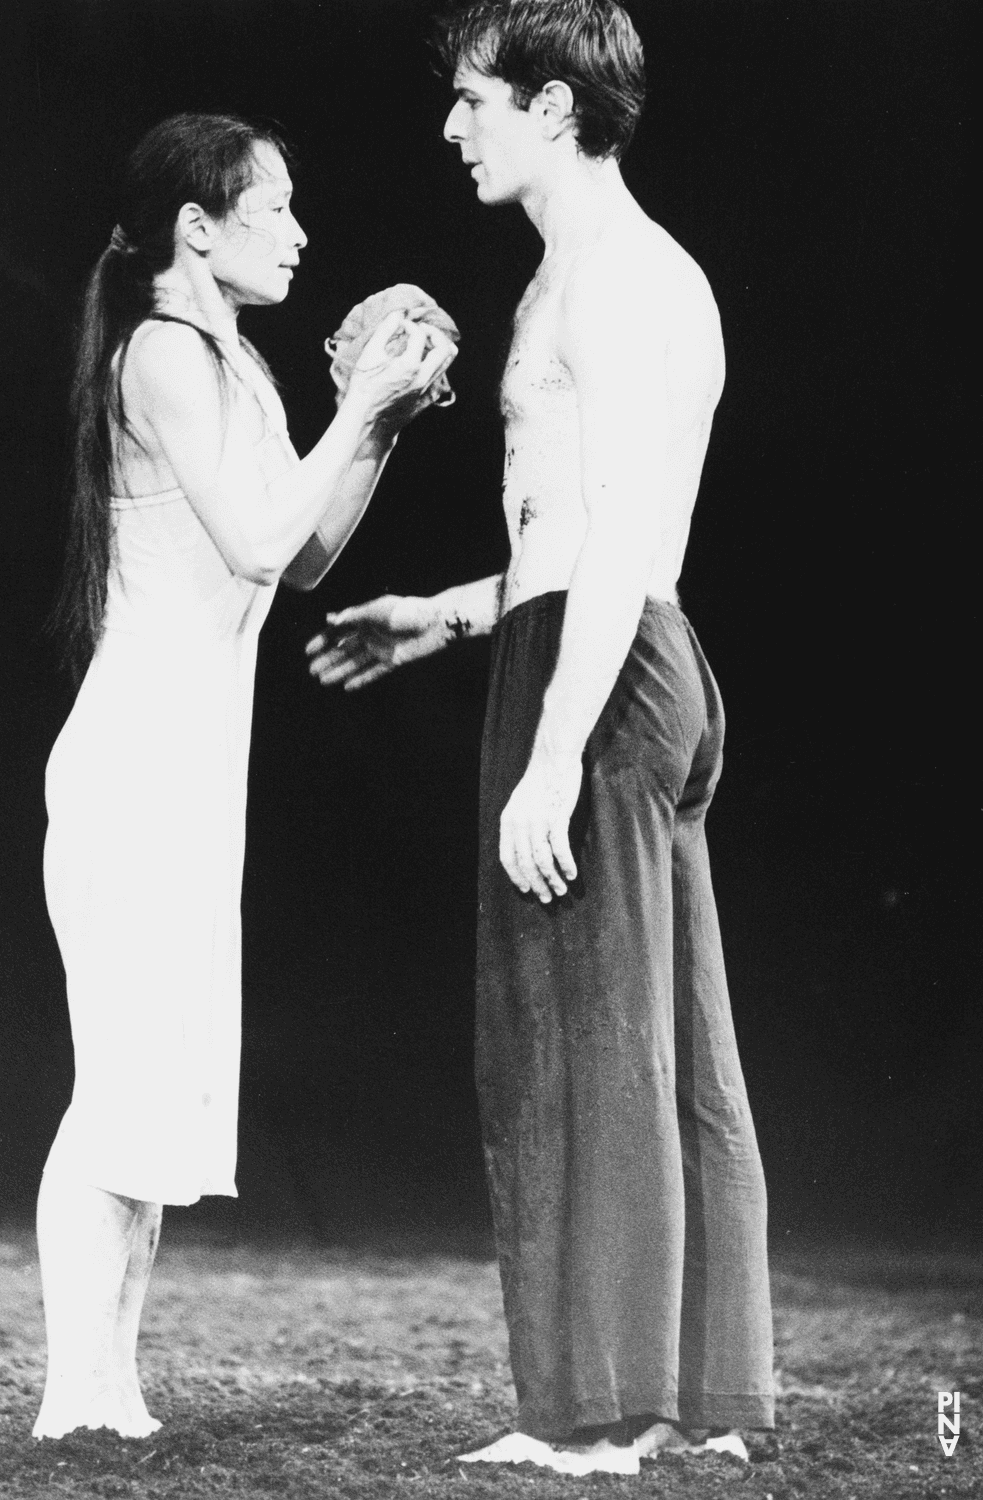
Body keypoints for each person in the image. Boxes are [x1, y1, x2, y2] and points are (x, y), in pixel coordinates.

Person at [307, 0, 773, 1476]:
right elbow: (570, 528)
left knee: (578, 1044)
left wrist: (556, 749)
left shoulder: (621, 280)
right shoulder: (580, 275)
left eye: (472, 102)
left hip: (606, 671)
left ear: (553, 108)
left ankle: (609, 1412)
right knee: (667, 1045)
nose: (452, 131)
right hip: (600, 647)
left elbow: (625, 530)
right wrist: (442, 614)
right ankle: (694, 1402)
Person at [35, 111, 456, 1441]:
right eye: (272, 209)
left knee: (150, 1090)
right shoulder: (162, 352)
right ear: (195, 230)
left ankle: (114, 1389)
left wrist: (378, 429)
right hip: (134, 759)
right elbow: (263, 533)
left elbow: (308, 555)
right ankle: (69, 1393)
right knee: (116, 1085)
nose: (300, 233)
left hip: (192, 765)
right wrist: (360, 408)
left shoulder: (243, 370)